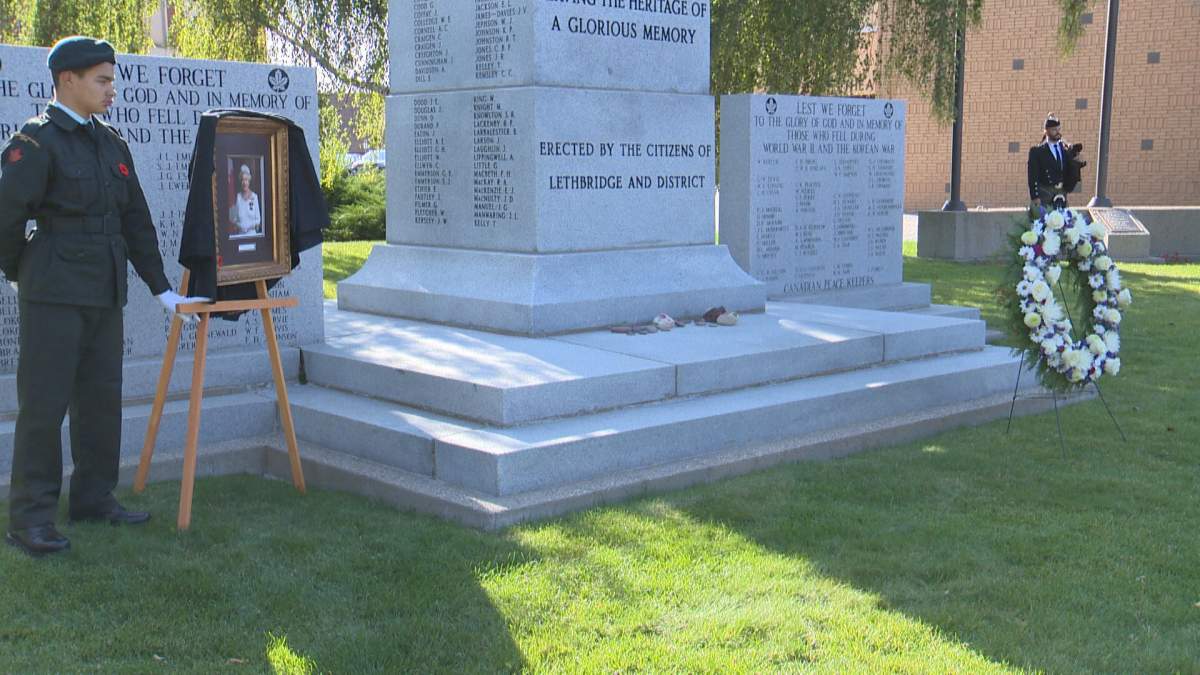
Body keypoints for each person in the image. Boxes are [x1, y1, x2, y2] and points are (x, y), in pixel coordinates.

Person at [0, 36, 207, 557]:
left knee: (100, 401)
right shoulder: (36, 141)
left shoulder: (112, 143)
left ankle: (94, 497)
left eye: (112, 79)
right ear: (67, 80)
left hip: (103, 290)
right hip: (53, 292)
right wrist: (17, 271)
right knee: (44, 407)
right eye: (102, 79)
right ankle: (30, 520)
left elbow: (135, 219)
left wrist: (161, 290)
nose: (112, 89)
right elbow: (5, 216)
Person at [1027, 113, 1085, 210]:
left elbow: (1068, 169)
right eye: (1054, 130)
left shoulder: (1065, 149)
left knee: (1064, 221)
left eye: (1059, 129)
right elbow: (1033, 175)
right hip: (1045, 192)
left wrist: (1076, 162)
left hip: (1062, 191)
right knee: (1045, 222)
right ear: (1046, 131)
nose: (1058, 132)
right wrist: (1035, 196)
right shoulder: (1037, 151)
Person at [228, 164, 262, 237]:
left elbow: (258, 220)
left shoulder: (254, 197)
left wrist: (248, 227)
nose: (244, 183)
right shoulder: (238, 197)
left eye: (246, 180)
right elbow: (233, 219)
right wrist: (240, 226)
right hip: (240, 235)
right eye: (242, 180)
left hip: (252, 235)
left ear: (249, 181)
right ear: (240, 182)